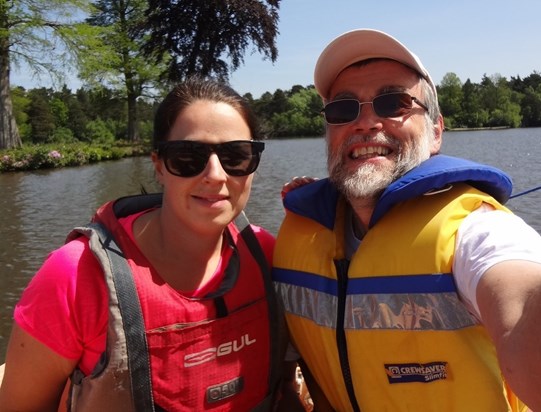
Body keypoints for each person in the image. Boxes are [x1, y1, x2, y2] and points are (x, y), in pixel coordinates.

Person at [273, 28, 541, 411]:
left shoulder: (478, 230)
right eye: (342, 108)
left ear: (435, 132)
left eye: (393, 103)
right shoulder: (299, 233)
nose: (365, 122)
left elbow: (522, 300)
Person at [0, 77, 299, 411]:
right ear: (159, 166)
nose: (216, 174)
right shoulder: (75, 276)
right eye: (188, 157)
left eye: (236, 155)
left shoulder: (268, 254)